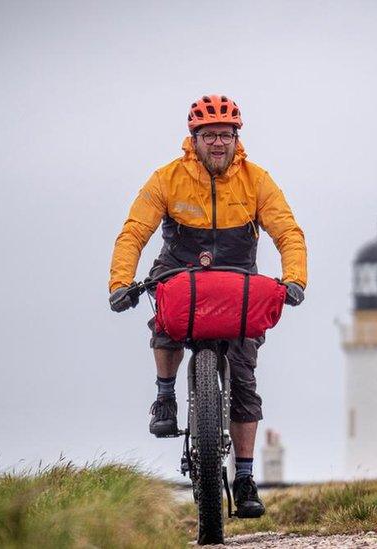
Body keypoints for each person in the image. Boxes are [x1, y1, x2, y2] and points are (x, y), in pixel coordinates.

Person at [108, 94, 307, 517]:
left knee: (244, 378)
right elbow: (134, 232)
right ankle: (165, 396)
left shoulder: (257, 180)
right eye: (209, 135)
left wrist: (294, 279)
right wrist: (121, 282)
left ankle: (246, 476)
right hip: (180, 269)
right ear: (193, 139)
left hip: (238, 278)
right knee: (164, 317)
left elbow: (288, 231)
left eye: (226, 135)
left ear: (238, 138)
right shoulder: (166, 178)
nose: (218, 142)